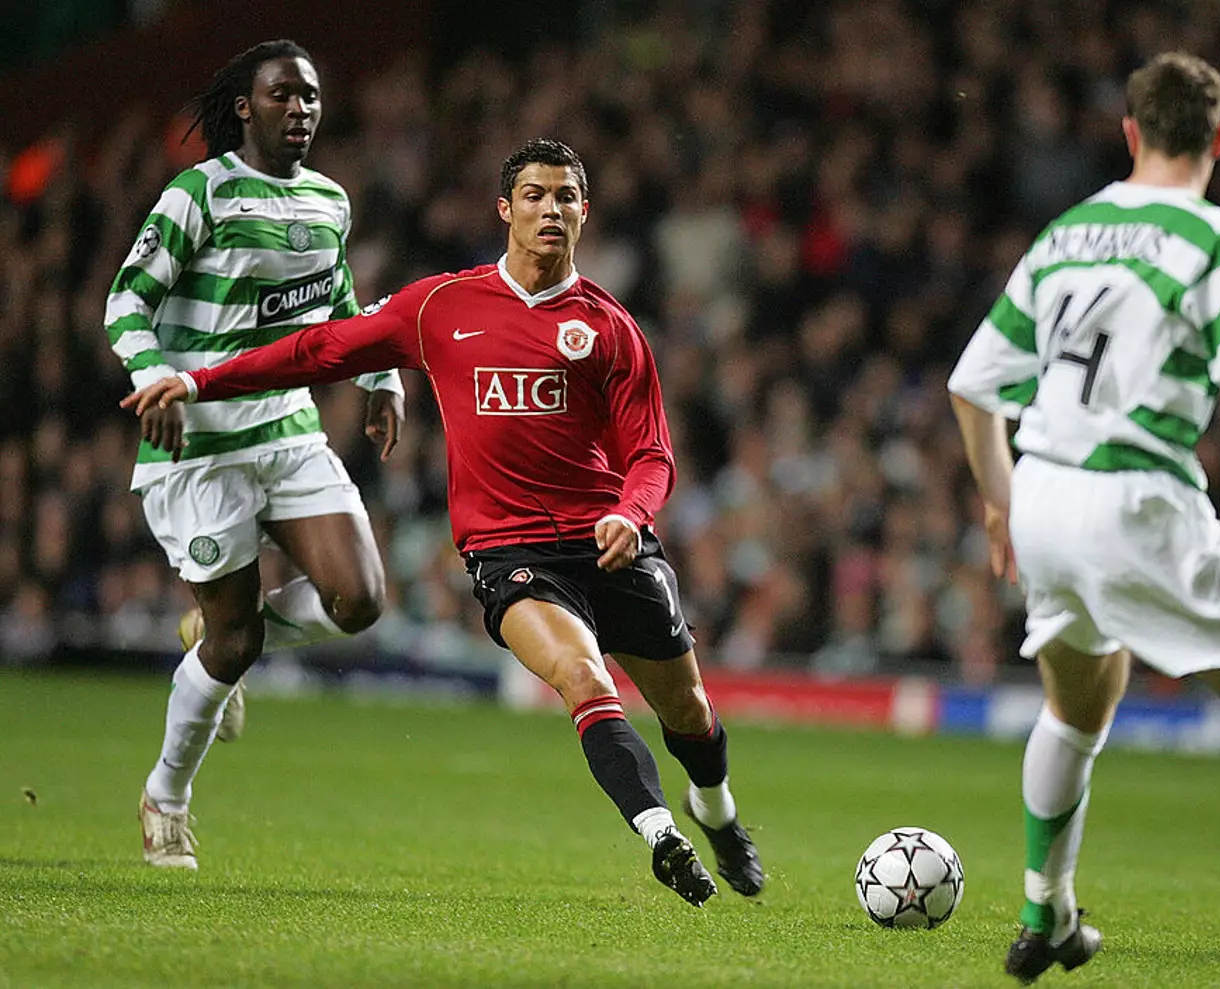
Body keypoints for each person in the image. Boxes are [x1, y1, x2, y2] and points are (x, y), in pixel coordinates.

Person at [123, 137, 765, 907]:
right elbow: (317, 348)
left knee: (689, 712)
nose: (551, 209)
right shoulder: (442, 306)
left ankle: (717, 812)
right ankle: (662, 832)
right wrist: (195, 381)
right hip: (511, 552)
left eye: (565, 196)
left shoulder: (610, 327)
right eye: (535, 195)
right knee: (583, 678)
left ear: (585, 213)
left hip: (609, 540)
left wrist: (632, 512)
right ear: (506, 210)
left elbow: (652, 453)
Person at [946, 53, 1220, 988]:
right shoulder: (1218, 240)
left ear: (1130, 133)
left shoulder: (1068, 233)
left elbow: (974, 385)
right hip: (1137, 497)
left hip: (1047, 494)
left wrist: (1000, 502)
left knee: (1075, 705)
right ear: (1219, 138)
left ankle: (1044, 910)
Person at [106, 40, 405, 870]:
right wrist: (154, 372)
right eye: (283, 95)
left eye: (310, 96)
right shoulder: (197, 193)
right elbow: (127, 299)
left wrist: (381, 377)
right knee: (235, 650)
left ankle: (215, 635)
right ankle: (166, 795)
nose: (300, 109)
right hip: (201, 443)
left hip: (285, 428)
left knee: (362, 598)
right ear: (245, 106)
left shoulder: (328, 202)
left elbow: (336, 311)